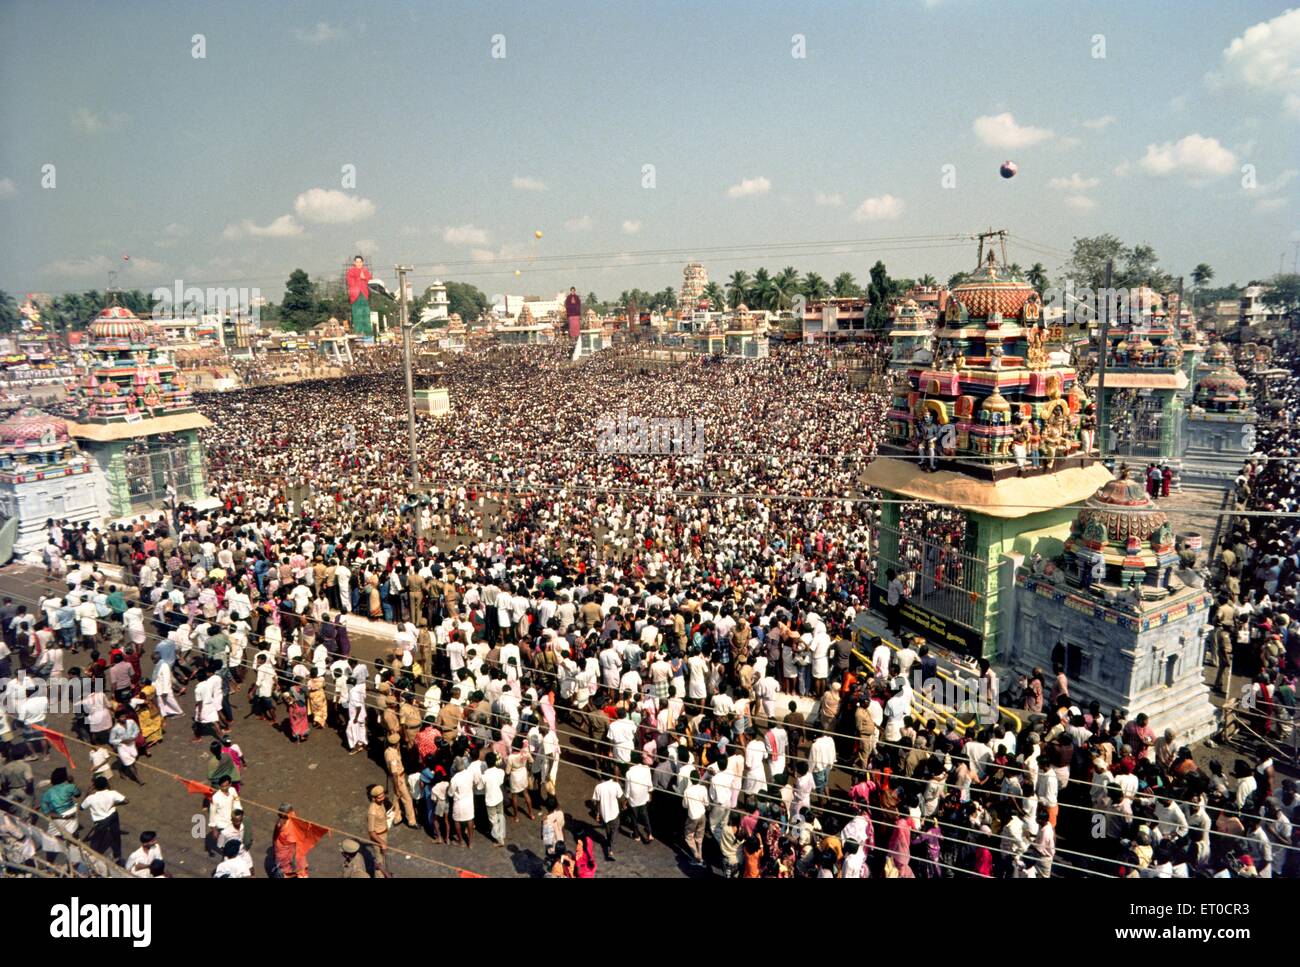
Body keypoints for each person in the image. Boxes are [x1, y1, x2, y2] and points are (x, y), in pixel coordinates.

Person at [80, 774, 127, 863]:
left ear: (95, 787)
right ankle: (117, 855)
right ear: (106, 784)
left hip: (100, 821)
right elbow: (126, 801)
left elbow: (81, 807)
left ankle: (92, 857)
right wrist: (115, 804)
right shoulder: (112, 793)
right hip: (113, 816)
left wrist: (87, 793)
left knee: (97, 839)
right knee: (115, 835)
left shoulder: (91, 798)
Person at [366, 784, 392, 878]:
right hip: (378, 838)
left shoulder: (381, 804)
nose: (382, 799)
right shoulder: (372, 811)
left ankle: (385, 874)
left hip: (384, 834)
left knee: (384, 858)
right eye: (379, 798)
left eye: (383, 796)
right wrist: (382, 843)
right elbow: (371, 832)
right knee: (379, 862)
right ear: (374, 798)